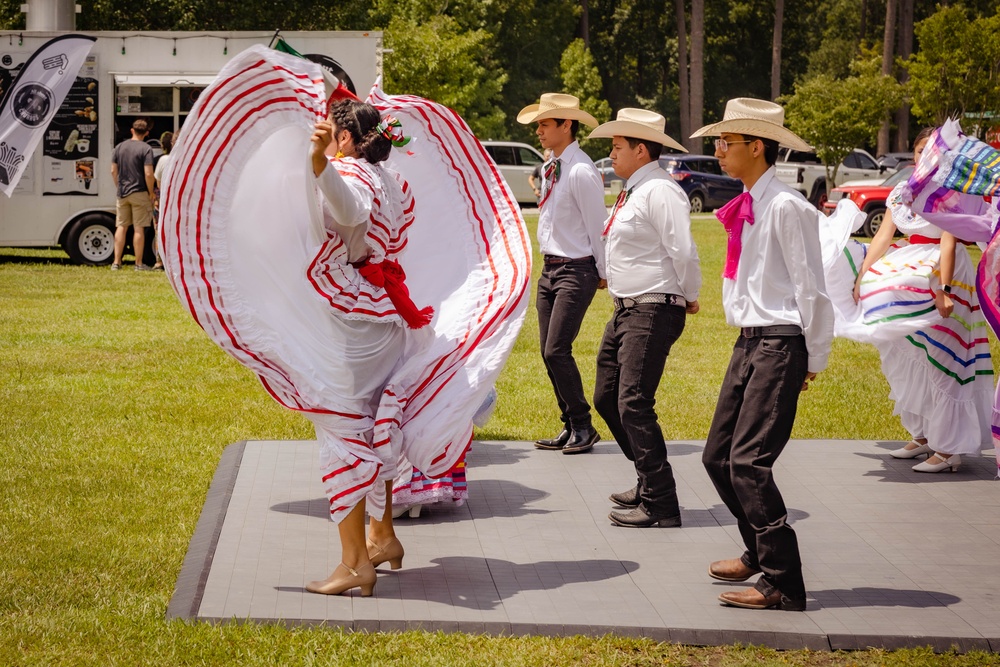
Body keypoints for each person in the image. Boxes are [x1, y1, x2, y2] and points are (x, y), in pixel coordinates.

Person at [159, 46, 530, 599]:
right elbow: (372, 217)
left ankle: (356, 562)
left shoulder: (351, 175)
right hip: (379, 311)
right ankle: (382, 538)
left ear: (350, 140)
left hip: (353, 315)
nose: (328, 137)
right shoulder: (393, 179)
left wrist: (317, 166)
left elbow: (350, 208)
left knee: (340, 431)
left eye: (334, 133)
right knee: (368, 422)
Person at [691, 98, 834, 611]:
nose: (718, 148)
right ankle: (756, 550)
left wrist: (812, 357)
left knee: (749, 461)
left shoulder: (788, 207)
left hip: (779, 341)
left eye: (727, 141)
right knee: (716, 457)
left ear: (758, 146)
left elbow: (811, 289)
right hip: (750, 339)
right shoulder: (751, 200)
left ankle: (783, 582)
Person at [834, 128, 992, 473]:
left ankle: (949, 448)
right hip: (910, 269)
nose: (923, 157)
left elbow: (949, 243)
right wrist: (862, 277)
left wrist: (946, 291)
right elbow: (881, 236)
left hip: (943, 272)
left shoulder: (952, 193)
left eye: (929, 151)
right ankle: (923, 434)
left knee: (944, 358)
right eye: (919, 151)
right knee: (908, 354)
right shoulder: (902, 192)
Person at [586, 109, 701, 528]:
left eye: (617, 147)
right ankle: (648, 479)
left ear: (640, 150)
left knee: (633, 401)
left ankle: (661, 503)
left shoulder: (660, 191)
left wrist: (689, 296)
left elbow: (684, 251)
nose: (611, 154)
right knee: (606, 396)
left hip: (653, 306)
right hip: (627, 308)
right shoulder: (634, 189)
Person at [518, 93, 608, 455]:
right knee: (546, 351)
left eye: (544, 124)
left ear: (566, 125)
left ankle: (584, 426)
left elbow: (597, 226)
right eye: (538, 124)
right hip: (550, 268)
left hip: (576, 269)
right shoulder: (550, 166)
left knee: (557, 349)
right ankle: (571, 426)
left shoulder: (582, 170)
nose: (538, 130)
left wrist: (603, 273)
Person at [110, 119, 155, 271]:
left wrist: (119, 186)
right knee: (138, 228)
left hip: (122, 193)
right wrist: (151, 192)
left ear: (132, 130)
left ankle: (116, 262)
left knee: (121, 226)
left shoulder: (119, 147)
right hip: (139, 192)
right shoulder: (146, 149)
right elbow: (148, 173)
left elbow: (113, 170)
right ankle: (138, 263)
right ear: (147, 133)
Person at [151, 131, 173, 271]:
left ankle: (159, 262)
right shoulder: (182, 158)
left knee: (159, 230)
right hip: (177, 200)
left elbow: (158, 183)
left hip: (163, 200)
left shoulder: (163, 160)